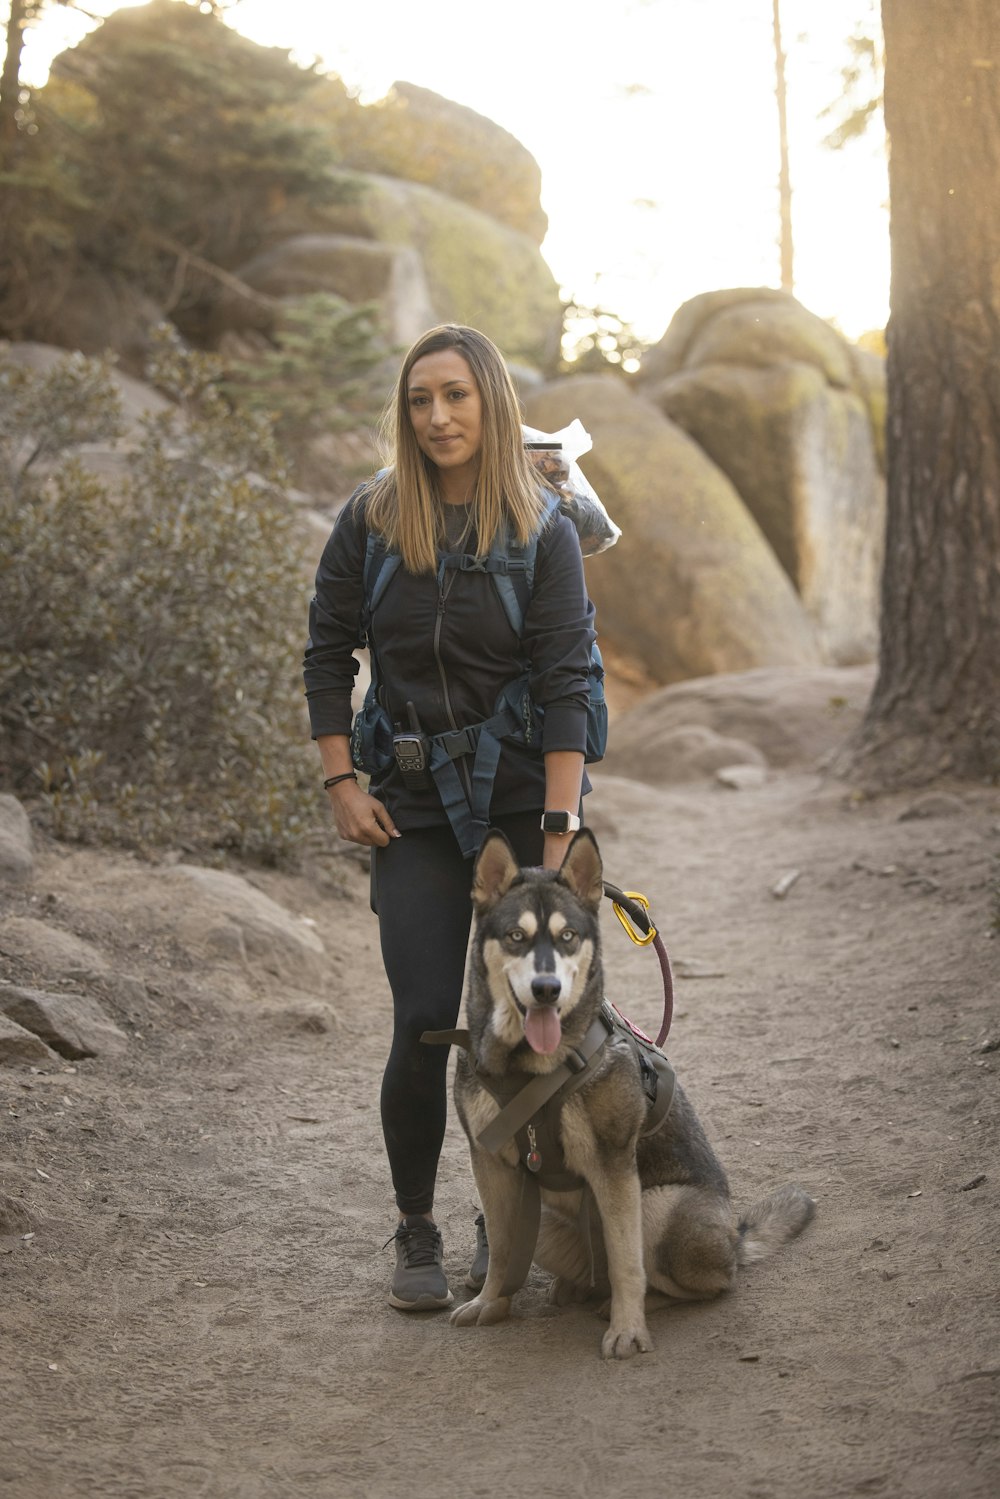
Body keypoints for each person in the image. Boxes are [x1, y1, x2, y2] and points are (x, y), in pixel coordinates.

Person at [303, 324, 599, 1310]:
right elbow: (325, 650)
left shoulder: (541, 526)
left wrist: (557, 835)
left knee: (520, 1020)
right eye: (420, 399)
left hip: (519, 801)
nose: (436, 416)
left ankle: (500, 1214)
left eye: (456, 397)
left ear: (491, 402)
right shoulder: (375, 517)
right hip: (413, 800)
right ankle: (417, 1226)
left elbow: (567, 683)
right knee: (429, 1017)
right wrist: (342, 784)